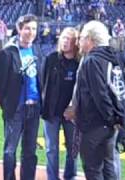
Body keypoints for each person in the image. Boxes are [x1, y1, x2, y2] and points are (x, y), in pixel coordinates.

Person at [0, 14, 43, 180]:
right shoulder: (7, 52)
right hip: (15, 109)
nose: (31, 32)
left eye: (34, 28)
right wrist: (8, 105)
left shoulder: (37, 50)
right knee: (10, 151)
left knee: (30, 152)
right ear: (19, 29)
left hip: (34, 109)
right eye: (28, 28)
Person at [74, 20, 121, 180]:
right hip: (110, 125)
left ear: (90, 39)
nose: (78, 42)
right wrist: (115, 120)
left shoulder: (92, 60)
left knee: (93, 169)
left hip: (95, 124)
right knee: (108, 166)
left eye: (81, 38)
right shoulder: (113, 57)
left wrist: (109, 118)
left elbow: (100, 95)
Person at [42, 27, 80, 180]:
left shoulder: (80, 63)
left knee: (73, 147)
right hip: (51, 112)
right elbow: (42, 82)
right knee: (51, 148)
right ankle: (52, 177)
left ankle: (70, 176)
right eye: (63, 38)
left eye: (69, 38)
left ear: (75, 42)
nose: (65, 41)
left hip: (72, 113)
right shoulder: (51, 59)